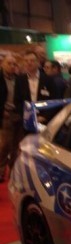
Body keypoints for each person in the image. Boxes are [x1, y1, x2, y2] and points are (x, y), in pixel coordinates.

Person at [0, 54, 24, 182]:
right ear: (2, 64)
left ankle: (13, 172)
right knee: (5, 145)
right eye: (9, 63)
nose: (12, 66)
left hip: (18, 114)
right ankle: (1, 170)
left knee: (16, 146)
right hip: (5, 115)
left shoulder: (19, 79)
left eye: (14, 64)